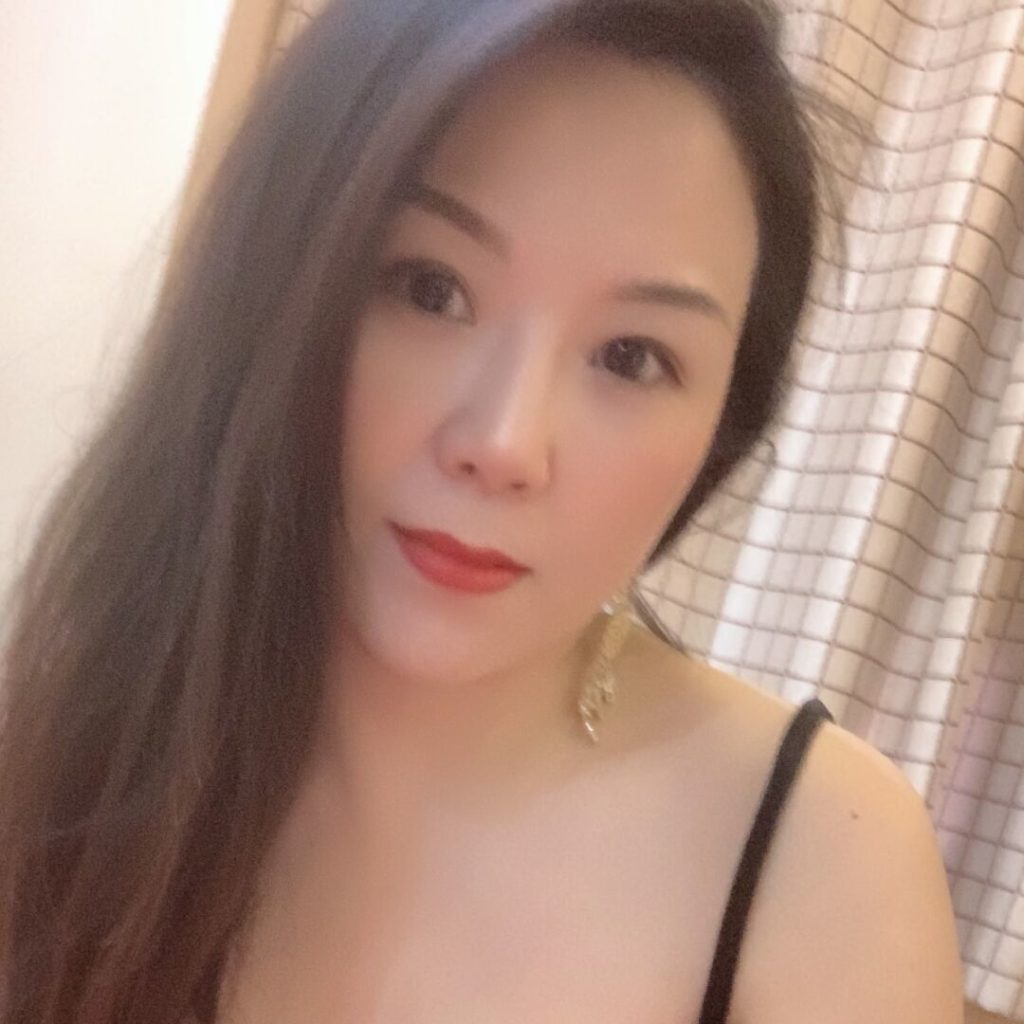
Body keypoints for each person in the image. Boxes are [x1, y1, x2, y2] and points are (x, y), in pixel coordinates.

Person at [0, 1, 963, 1022]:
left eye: (632, 357)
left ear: (722, 430)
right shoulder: (78, 748)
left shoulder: (817, 866)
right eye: (429, 288)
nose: (504, 444)